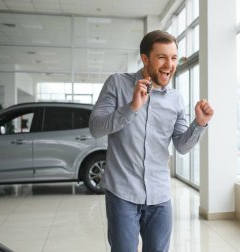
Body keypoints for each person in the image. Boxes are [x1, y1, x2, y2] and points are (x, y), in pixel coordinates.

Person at [89, 30, 214, 252]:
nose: (169, 65)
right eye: (162, 57)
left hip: (160, 196)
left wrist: (200, 124)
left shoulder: (176, 99)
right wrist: (132, 108)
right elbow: (96, 128)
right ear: (145, 58)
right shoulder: (117, 84)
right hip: (122, 193)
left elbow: (182, 146)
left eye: (174, 58)